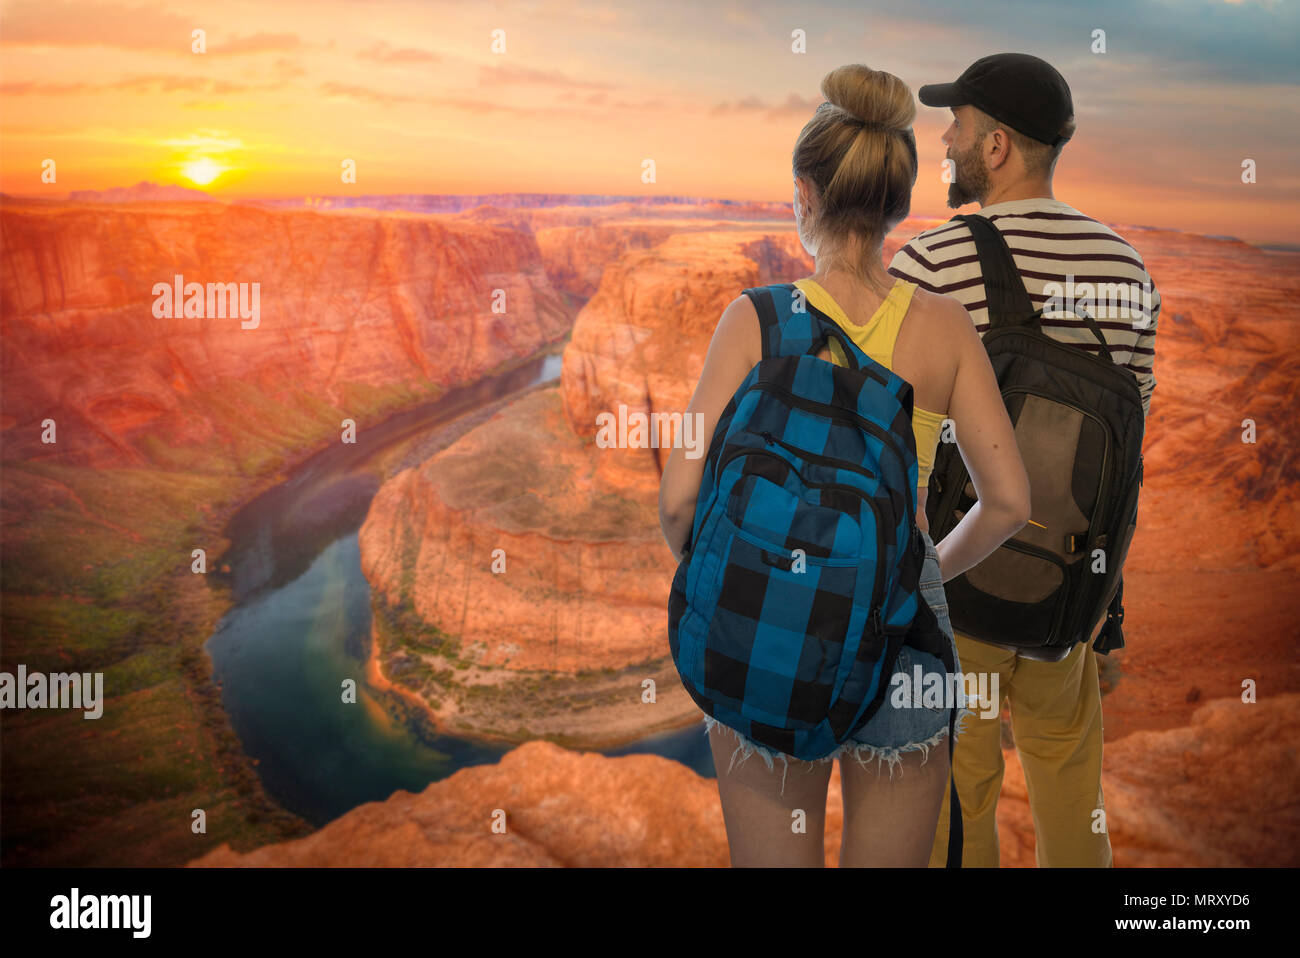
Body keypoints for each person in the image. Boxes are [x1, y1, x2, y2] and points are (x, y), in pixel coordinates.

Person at [658, 63, 1032, 867]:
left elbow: (679, 503)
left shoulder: (754, 320)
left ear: (805, 193)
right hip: (904, 632)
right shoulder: (945, 329)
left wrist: (745, 563)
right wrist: (926, 565)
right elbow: (1008, 502)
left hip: (764, 619)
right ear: (897, 205)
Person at [886, 53, 1161, 868]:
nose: (945, 140)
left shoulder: (929, 264)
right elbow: (1125, 455)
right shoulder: (1129, 271)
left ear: (996, 146)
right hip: (1069, 589)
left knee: (954, 802)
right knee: (1072, 788)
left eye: (958, 127)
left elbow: (889, 447)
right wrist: (1105, 602)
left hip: (954, 589)